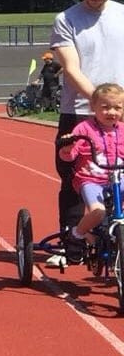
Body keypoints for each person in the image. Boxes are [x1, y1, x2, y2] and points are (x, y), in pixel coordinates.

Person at [50, 0, 124, 259]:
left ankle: (113, 236)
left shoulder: (121, 15)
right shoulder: (66, 19)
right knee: (74, 177)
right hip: (80, 109)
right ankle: (73, 243)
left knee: (118, 174)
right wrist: (98, 100)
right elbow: (70, 66)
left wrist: (114, 105)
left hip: (119, 110)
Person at [54, 82, 124, 259]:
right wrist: (67, 148)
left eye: (117, 108)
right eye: (105, 107)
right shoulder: (84, 129)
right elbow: (70, 157)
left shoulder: (122, 130)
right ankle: (77, 234)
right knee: (97, 211)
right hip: (91, 180)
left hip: (118, 179)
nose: (112, 112)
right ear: (93, 107)